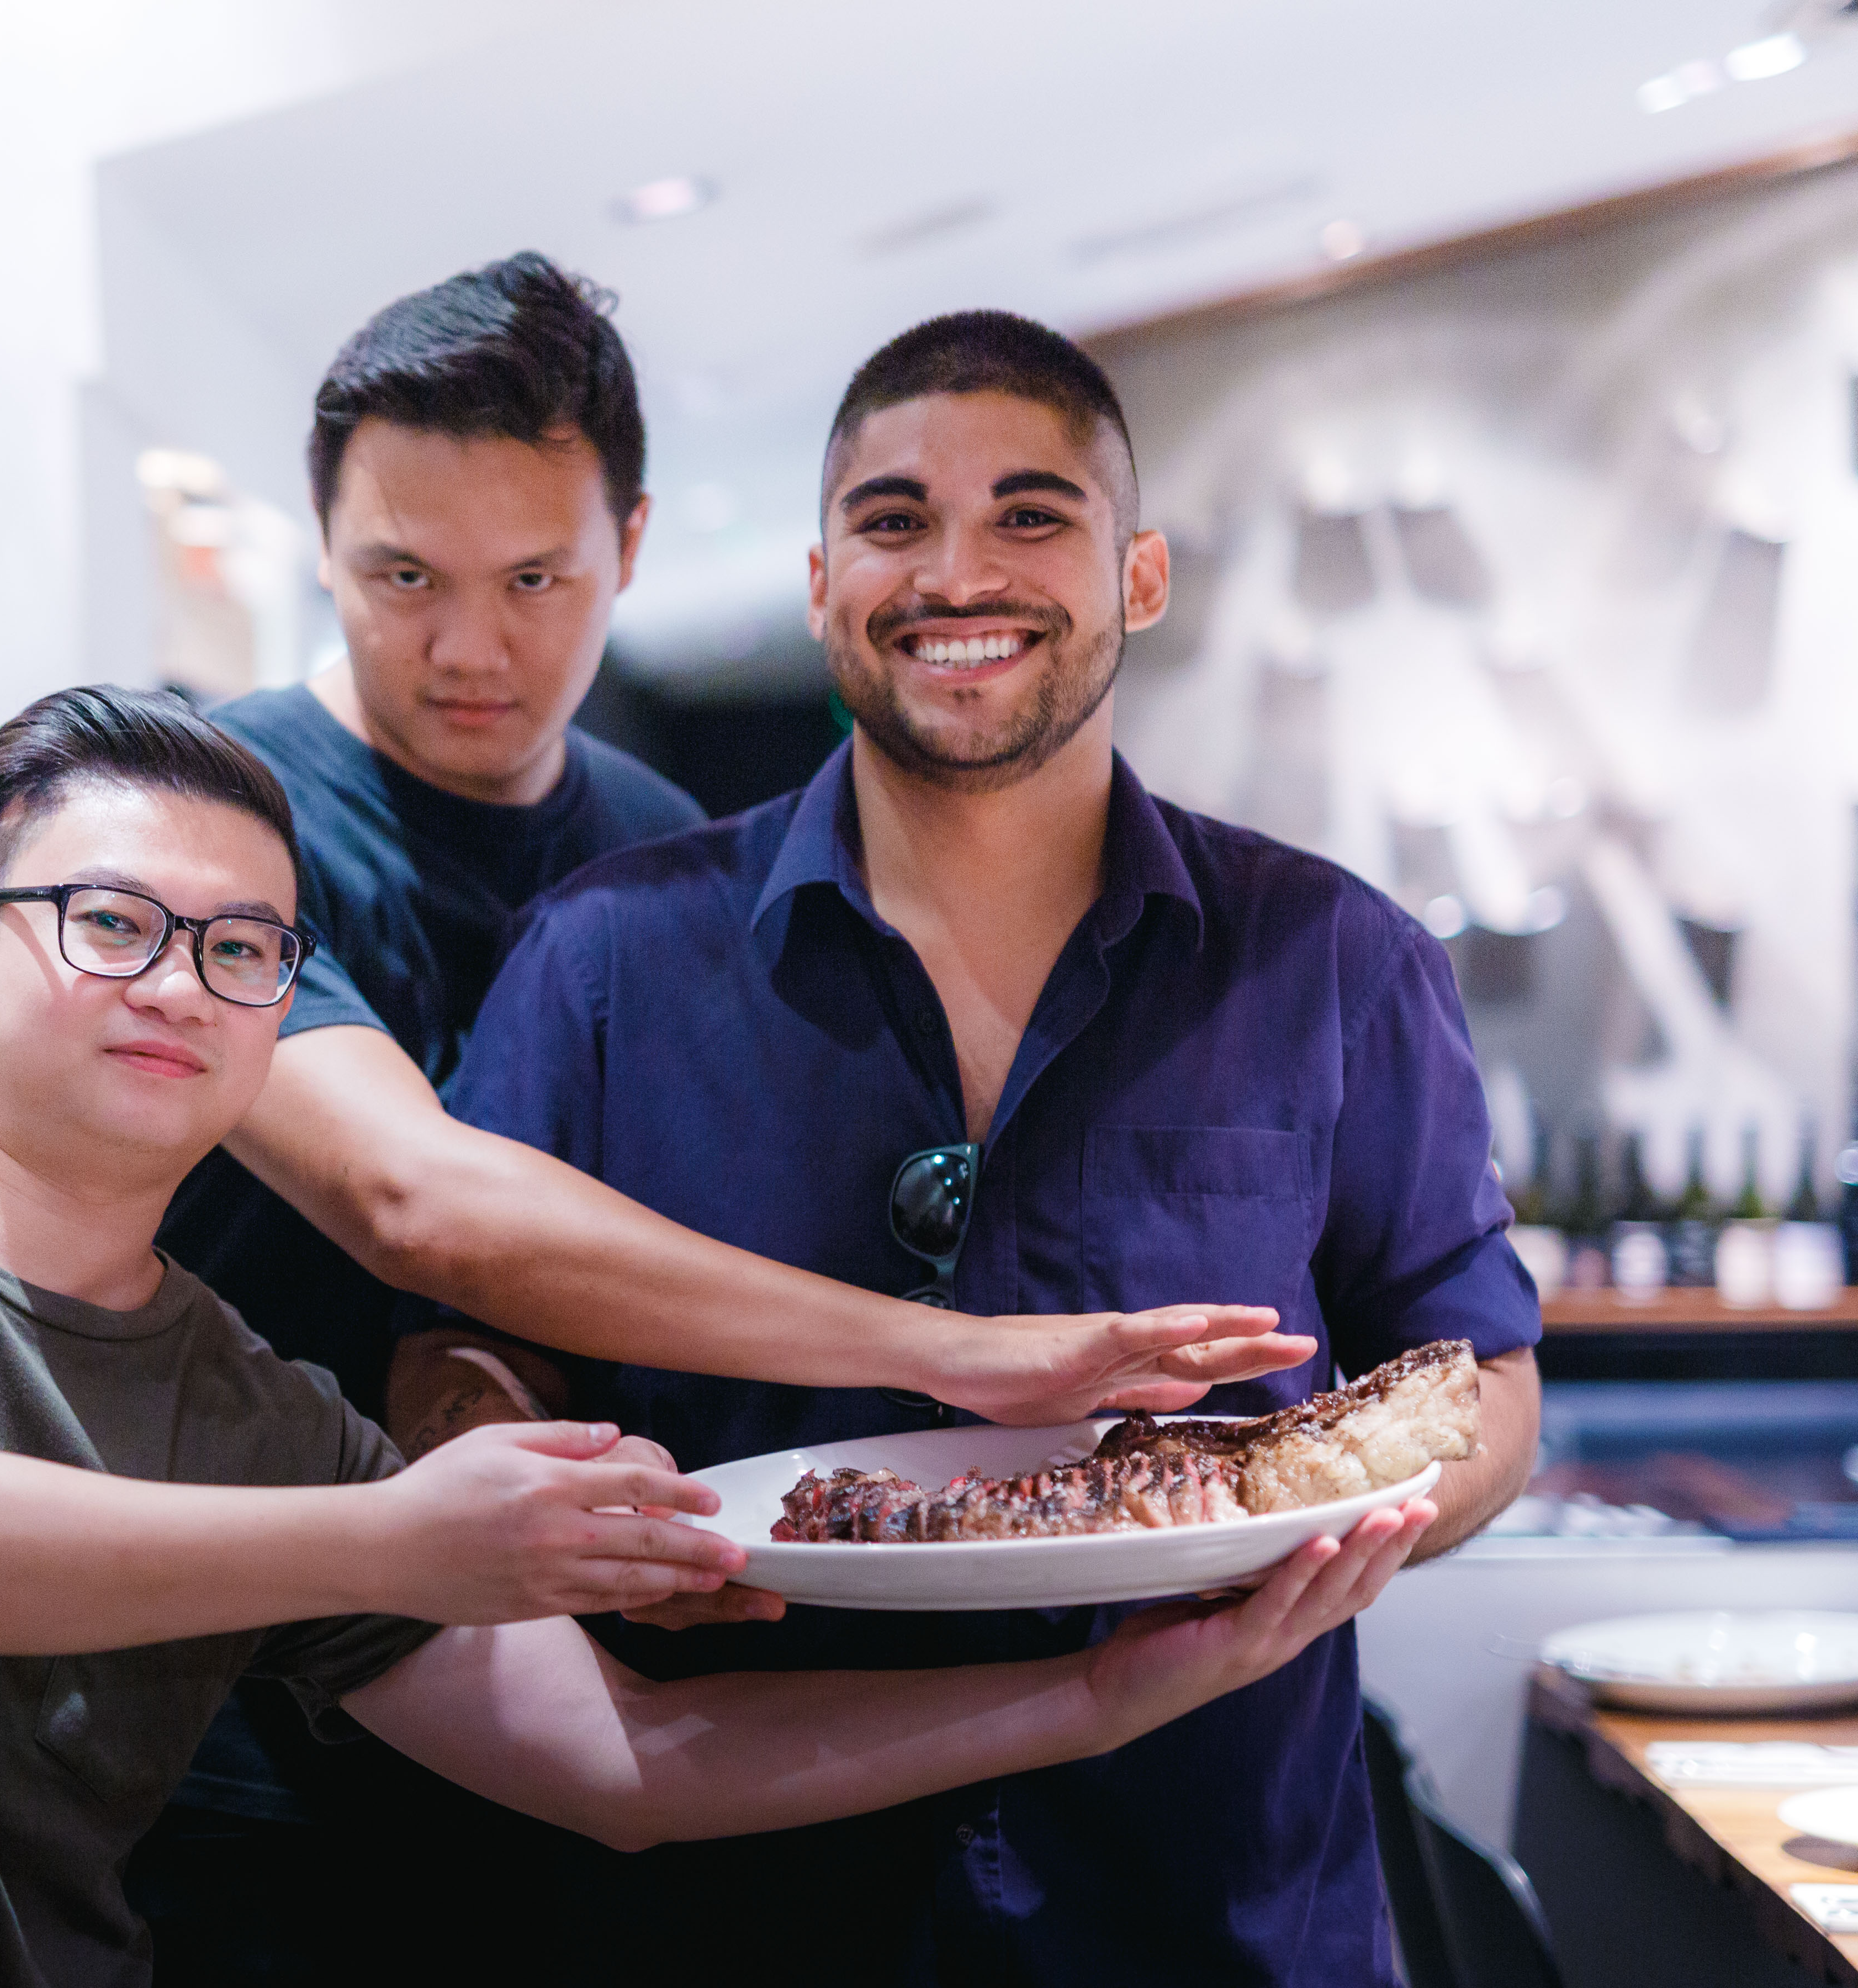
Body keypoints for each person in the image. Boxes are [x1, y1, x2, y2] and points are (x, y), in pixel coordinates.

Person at [0, 685, 1432, 1988]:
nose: (179, 986)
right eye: (109, 923)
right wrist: (398, 1536)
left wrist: (1113, 1694)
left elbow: (631, 1762)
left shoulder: (249, 1406)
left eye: (242, 951)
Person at [140, 253, 1312, 1970]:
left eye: (536, 578)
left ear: (631, 544)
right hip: (238, 1698)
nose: (471, 646)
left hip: (572, 1711)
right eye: (402, 576)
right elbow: (419, 1208)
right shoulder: (215, 821)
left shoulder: (655, 847)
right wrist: (959, 1356)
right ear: (320, 547)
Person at [398, 312, 1544, 1984]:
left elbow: (1481, 1375)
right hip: (737, 1908)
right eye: (893, 521)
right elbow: (457, 1353)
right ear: (821, 586)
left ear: (1138, 576)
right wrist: (564, 1508)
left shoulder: (1336, 961)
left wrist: (1334, 1532)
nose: (955, 574)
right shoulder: (606, 958)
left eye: (1029, 514)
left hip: (1211, 1906)